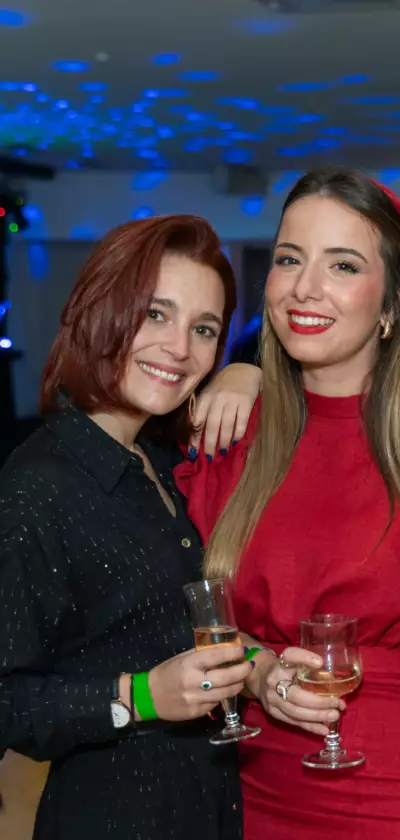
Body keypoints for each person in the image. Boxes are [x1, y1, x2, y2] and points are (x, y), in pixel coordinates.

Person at [174, 167, 400, 840]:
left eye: (343, 264)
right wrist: (259, 670)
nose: (304, 287)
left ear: (391, 303)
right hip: (251, 785)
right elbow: (170, 612)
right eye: (290, 259)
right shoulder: (231, 437)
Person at [0, 215, 254, 840]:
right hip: (113, 815)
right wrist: (140, 695)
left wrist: (250, 373)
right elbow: (8, 701)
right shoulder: (40, 484)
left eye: (204, 330)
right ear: (100, 310)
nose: (179, 349)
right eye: (156, 315)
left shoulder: (165, 462)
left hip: (208, 805)